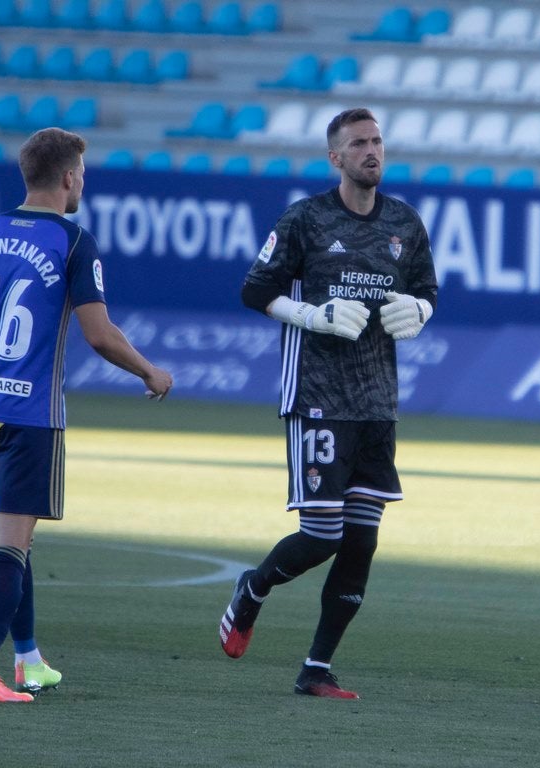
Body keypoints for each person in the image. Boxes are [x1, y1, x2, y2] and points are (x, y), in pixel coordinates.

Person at [0, 127, 173, 703]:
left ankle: (28, 659)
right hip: (29, 413)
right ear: (67, 178)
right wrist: (150, 372)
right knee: (10, 544)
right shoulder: (73, 240)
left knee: (19, 533)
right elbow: (100, 334)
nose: (83, 182)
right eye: (82, 174)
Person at [218, 107, 438, 699]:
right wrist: (311, 314)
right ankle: (253, 589)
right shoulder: (305, 220)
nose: (372, 151)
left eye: (377, 141)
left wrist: (420, 310)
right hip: (316, 396)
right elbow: (254, 289)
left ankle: (317, 667)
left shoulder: (405, 222)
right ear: (335, 158)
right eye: (358, 143)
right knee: (322, 535)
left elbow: (426, 289)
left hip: (376, 403)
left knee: (362, 538)